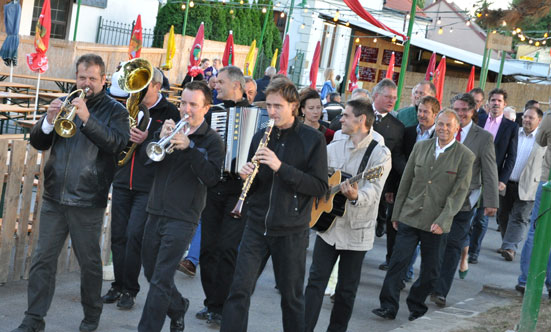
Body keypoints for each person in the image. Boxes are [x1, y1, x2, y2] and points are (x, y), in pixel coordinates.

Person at [11, 54, 130, 332]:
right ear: (75, 78)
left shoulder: (117, 112)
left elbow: (116, 145)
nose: (86, 83)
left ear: (103, 80)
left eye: (92, 78)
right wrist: (49, 121)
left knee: (89, 265)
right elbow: (39, 142)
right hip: (54, 196)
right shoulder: (65, 101)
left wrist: (87, 119)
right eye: (81, 77)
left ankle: (91, 317)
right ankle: (33, 319)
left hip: (88, 199)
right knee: (42, 261)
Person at [220, 77, 328, 332]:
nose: (271, 111)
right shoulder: (261, 134)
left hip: (290, 230)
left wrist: (281, 167)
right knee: (238, 291)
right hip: (256, 225)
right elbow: (256, 185)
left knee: (291, 299)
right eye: (268, 105)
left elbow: (319, 187)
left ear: (294, 106)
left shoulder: (312, 139)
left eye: (277, 106)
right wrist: (247, 175)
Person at [372, 109, 475, 321]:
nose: (443, 128)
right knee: (397, 263)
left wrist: (443, 220)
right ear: (435, 125)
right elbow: (406, 182)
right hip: (409, 216)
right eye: (440, 124)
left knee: (431, 272)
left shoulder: (465, 156)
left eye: (448, 125)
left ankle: (416, 304)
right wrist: (396, 214)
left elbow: (459, 194)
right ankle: (388, 306)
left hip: (436, 223)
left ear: (456, 129)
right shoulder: (420, 147)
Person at [138, 81, 224, 332]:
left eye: (193, 105)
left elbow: (211, 177)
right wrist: (159, 138)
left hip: (183, 217)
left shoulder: (211, 141)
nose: (186, 109)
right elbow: (147, 163)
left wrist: (189, 148)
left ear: (206, 108)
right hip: (155, 210)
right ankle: (177, 307)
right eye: (183, 102)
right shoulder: (170, 128)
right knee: (152, 274)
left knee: (161, 278)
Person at [304, 98, 391, 332]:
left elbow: (374, 190)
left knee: (346, 289)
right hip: (328, 227)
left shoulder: (380, 154)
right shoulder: (334, 146)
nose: (340, 119)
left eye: (346, 115)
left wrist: (355, 196)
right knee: (315, 282)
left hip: (357, 230)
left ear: (361, 120)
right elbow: (316, 176)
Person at [102, 68, 180, 310]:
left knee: (135, 236)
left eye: (144, 86)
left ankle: (130, 289)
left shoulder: (170, 111)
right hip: (123, 179)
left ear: (157, 86)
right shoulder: (127, 106)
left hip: (148, 184)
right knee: (118, 235)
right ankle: (118, 284)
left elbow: (170, 148)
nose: (137, 91)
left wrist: (146, 138)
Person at [194, 66, 251, 326]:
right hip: (214, 186)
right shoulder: (213, 113)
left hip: (239, 190)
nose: (216, 86)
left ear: (237, 86)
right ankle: (211, 302)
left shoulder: (257, 114)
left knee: (227, 249)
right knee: (208, 248)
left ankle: (222, 305)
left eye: (221, 82)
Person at [431, 93, 499, 307]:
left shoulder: (483, 138)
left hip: (465, 201)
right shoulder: (440, 130)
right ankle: (430, 282)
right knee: (435, 243)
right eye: (457, 109)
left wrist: (491, 201)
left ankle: (441, 290)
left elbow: (489, 170)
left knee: (453, 244)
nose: (461, 114)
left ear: (473, 111)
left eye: (465, 110)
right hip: (438, 198)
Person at [468, 88, 518, 264]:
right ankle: (462, 247)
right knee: (466, 212)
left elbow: (511, 156)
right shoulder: (478, 120)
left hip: (491, 177)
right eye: (493, 100)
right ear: (488, 103)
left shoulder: (511, 127)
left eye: (499, 101)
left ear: (504, 105)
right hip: (471, 172)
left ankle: (473, 252)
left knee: (481, 217)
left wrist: (503, 180)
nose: (496, 103)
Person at [497, 106, 545, 261]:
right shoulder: (514, 133)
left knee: (519, 217)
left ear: (539, 120)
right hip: (507, 182)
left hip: (529, 185)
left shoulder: (543, 141)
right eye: (525, 117)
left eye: (531, 118)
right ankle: (507, 242)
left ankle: (510, 247)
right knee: (503, 215)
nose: (526, 120)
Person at [371, 79, 406, 271]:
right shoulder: (360, 114)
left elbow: (396, 157)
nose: (392, 101)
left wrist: (407, 175)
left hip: (380, 182)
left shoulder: (397, 126)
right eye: (387, 96)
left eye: (394, 98)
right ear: (376, 96)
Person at [516, 109, 551, 296]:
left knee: (536, 230)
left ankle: (525, 280)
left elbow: (541, 141)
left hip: (547, 182)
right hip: (546, 181)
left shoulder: (549, 118)